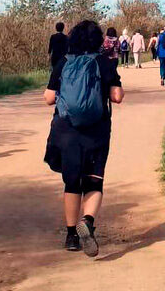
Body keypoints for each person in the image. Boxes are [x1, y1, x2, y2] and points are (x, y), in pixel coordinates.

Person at [44, 20, 124, 257]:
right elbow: (117, 96)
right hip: (96, 131)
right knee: (94, 181)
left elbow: (48, 98)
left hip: (67, 130)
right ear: (98, 40)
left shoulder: (63, 62)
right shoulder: (104, 63)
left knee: (72, 183)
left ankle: (71, 236)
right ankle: (87, 222)